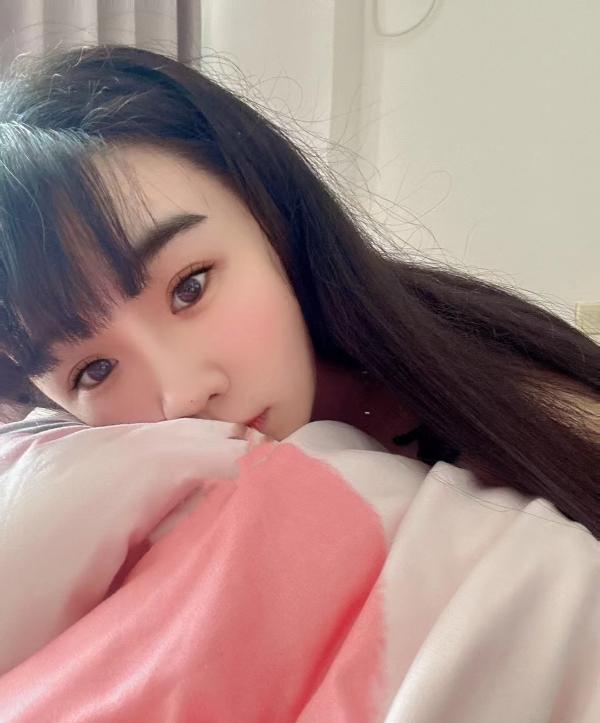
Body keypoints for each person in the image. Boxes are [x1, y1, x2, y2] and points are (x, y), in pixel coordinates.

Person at [0, 45, 597, 535]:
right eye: (95, 371)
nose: (183, 396)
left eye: (190, 287)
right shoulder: (91, 505)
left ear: (268, 215)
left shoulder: (506, 401)